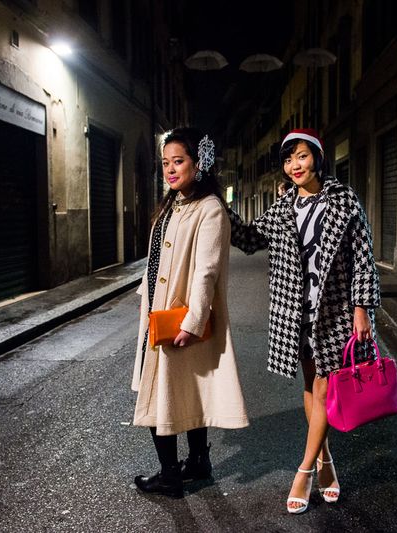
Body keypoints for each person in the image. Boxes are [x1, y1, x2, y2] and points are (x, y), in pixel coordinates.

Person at [227, 128, 380, 514]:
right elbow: (247, 239)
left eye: (302, 156)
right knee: (312, 387)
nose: (294, 165)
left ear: (317, 157)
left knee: (326, 388)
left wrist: (362, 307)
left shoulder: (343, 200)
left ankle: (305, 470)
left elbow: (363, 255)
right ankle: (327, 462)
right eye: (288, 159)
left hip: (334, 312)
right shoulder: (281, 210)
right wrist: (216, 200)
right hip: (297, 313)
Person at [131, 127, 249, 499]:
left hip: (180, 316)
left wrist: (193, 322)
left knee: (158, 394)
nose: (170, 169)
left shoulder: (209, 208)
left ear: (200, 164)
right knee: (187, 389)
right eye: (165, 163)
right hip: (158, 310)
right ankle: (198, 461)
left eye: (178, 161)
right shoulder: (172, 203)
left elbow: (206, 271)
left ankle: (170, 476)